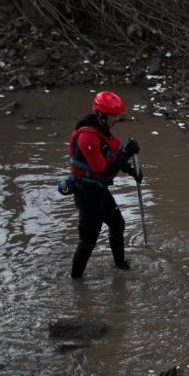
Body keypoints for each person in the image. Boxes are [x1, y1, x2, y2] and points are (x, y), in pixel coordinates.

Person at [67, 91, 142, 278]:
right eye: (113, 116)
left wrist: (132, 171)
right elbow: (104, 171)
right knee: (88, 240)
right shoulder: (87, 138)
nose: (117, 119)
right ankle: (76, 282)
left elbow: (113, 156)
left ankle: (120, 265)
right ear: (101, 115)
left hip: (100, 191)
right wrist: (127, 153)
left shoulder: (102, 131)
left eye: (118, 116)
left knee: (117, 225)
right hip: (86, 193)